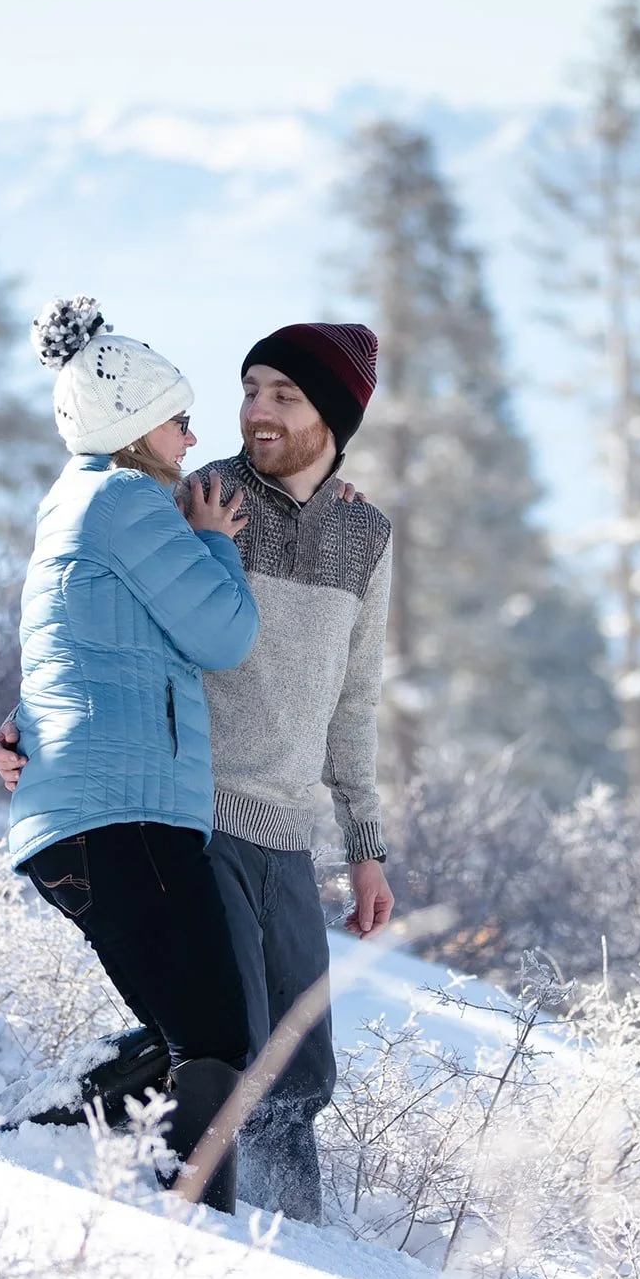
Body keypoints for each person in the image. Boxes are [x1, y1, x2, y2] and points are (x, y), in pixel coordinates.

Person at [0, 296, 260, 1213]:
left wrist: (20, 723)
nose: (193, 440)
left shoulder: (77, 505)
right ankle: (172, 1214)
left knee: (200, 1029)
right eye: (179, 420)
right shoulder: (124, 503)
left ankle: (47, 1141)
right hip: (122, 814)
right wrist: (215, 545)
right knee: (215, 1035)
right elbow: (223, 633)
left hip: (96, 813)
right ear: (135, 425)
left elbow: (81, 648)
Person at [192, 322, 394, 1223]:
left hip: (288, 838)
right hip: (192, 814)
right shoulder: (204, 499)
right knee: (221, 1043)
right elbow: (109, 628)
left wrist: (364, 845)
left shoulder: (365, 534)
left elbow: (356, 701)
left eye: (285, 395)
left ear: (334, 417)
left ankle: (296, 1250)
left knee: (301, 1072)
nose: (257, 410)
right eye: (251, 389)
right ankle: (196, 1227)